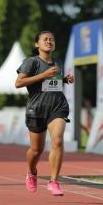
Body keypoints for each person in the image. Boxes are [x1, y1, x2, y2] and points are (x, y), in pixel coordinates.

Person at [15, 31, 74, 196]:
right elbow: (18, 83)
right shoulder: (31, 62)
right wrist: (43, 74)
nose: (49, 42)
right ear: (37, 44)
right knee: (36, 150)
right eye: (45, 39)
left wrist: (64, 80)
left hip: (57, 106)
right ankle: (31, 172)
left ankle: (54, 181)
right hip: (37, 109)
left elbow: (51, 84)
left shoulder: (58, 62)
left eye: (52, 40)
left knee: (58, 141)